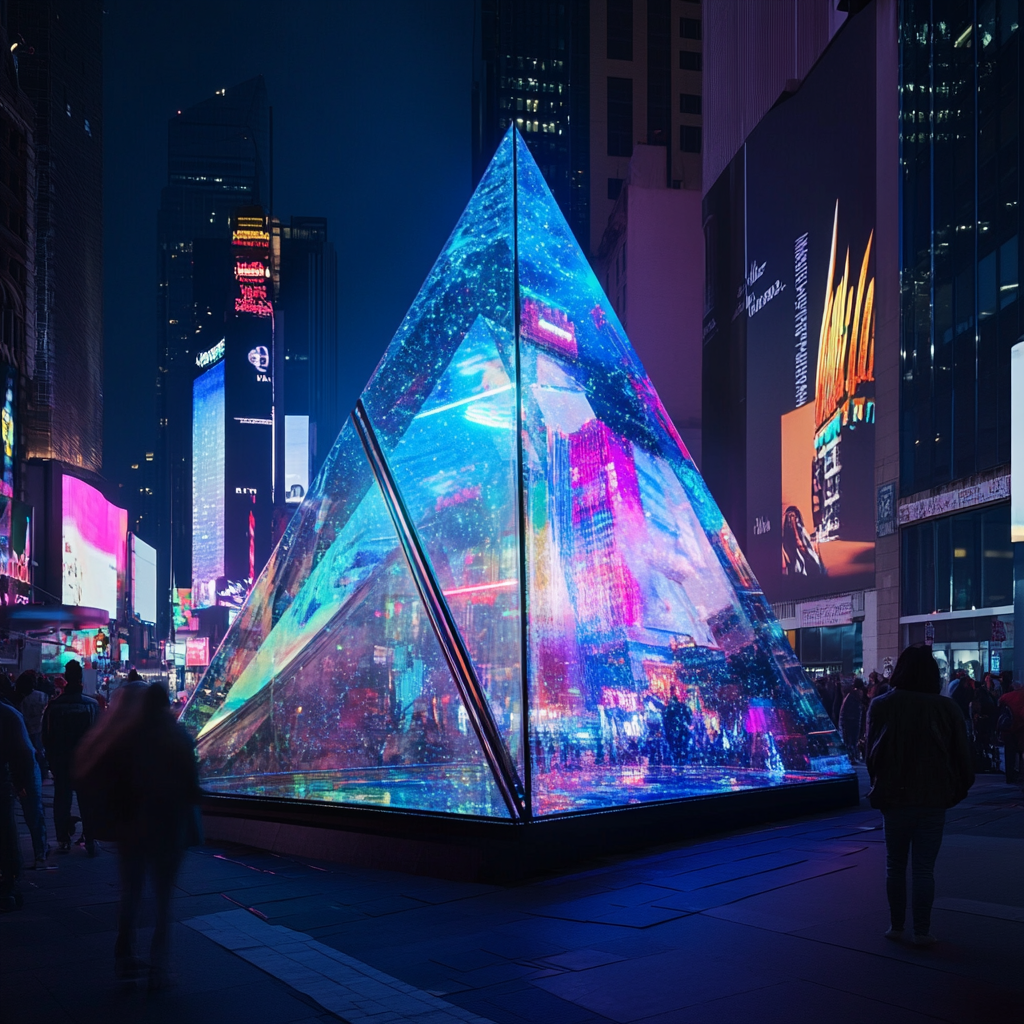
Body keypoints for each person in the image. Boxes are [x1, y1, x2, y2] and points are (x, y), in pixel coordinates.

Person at [77, 682, 202, 986]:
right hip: (168, 828)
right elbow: (191, 785)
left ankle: (124, 955)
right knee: (163, 899)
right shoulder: (178, 737)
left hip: (132, 827)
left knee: (130, 893)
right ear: (166, 704)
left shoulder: (125, 737)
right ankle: (159, 964)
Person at [865, 645, 974, 946]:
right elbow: (963, 757)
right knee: (924, 868)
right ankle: (923, 930)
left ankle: (896, 926)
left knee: (894, 865)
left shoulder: (882, 704)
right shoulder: (947, 708)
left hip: (894, 796)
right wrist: (957, 790)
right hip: (933, 797)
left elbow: (871, 753)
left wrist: (879, 783)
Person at [42, 660, 99, 855]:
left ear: (65, 678)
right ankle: (90, 839)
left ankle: (62, 839)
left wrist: (51, 760)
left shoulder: (54, 707)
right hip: (86, 763)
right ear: (80, 678)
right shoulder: (91, 706)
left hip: (61, 761)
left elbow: (46, 737)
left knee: (62, 800)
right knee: (87, 801)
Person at [0, 699, 37, 911]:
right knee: (5, 832)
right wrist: (21, 781)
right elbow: (25, 753)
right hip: (1, 783)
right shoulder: (9, 714)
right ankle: (9, 881)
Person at [997, 680, 1024, 785]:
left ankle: (1010, 776)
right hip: (1021, 730)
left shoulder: (1005, 697)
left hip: (1008, 730)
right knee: (1021, 753)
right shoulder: (1022, 696)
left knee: (1009, 754)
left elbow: (999, 709)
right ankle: (1021, 776)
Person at [839, 681, 866, 762]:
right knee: (852, 739)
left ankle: (851, 756)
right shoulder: (856, 697)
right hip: (853, 721)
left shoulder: (850, 696)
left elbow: (843, 711)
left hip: (850, 721)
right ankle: (852, 756)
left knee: (850, 740)